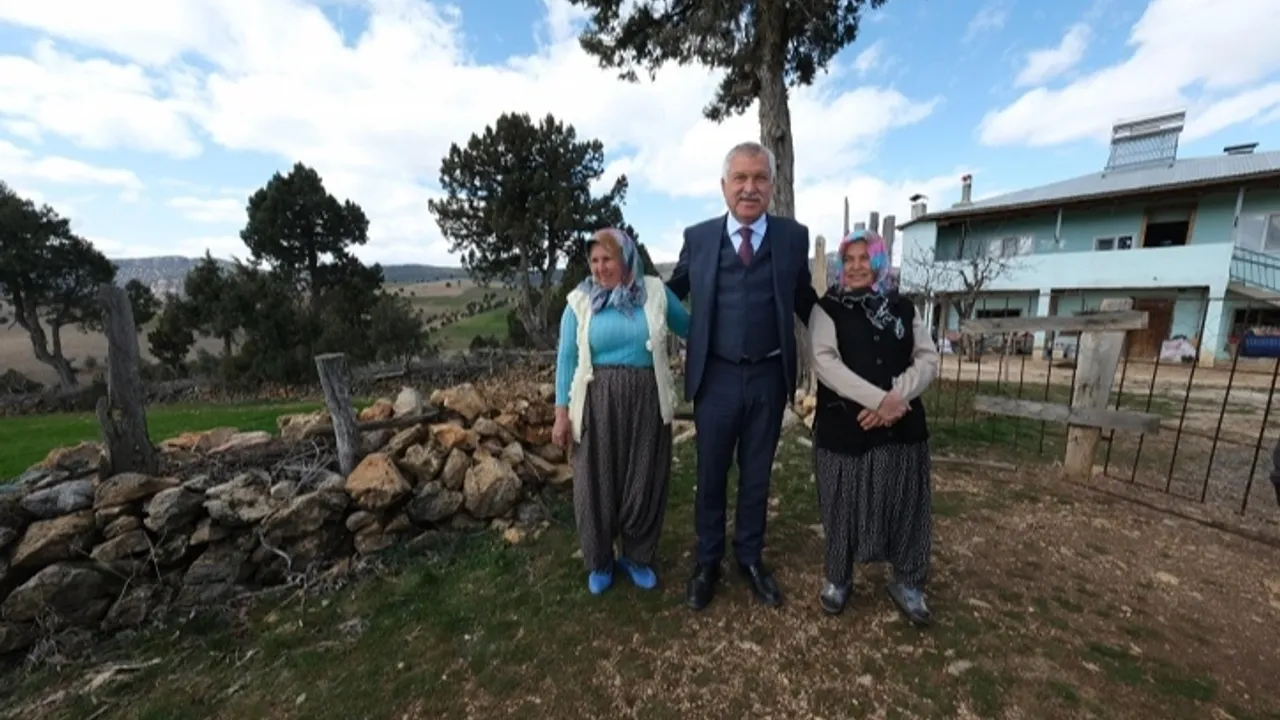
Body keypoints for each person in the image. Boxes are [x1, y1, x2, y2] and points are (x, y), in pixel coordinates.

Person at [666, 141, 820, 611]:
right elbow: (671, 292)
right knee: (711, 472)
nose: (749, 188)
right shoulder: (699, 238)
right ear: (724, 186)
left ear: (771, 186)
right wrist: (628, 293)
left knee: (756, 475)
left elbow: (805, 301)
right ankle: (707, 560)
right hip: (715, 378)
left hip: (769, 377)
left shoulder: (792, 237)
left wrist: (848, 328)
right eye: (741, 178)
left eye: (759, 178)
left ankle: (749, 557)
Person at [808, 229, 940, 625]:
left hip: (901, 428)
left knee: (907, 506)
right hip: (845, 428)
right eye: (848, 260)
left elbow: (927, 358)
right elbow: (825, 363)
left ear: (879, 262)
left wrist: (896, 398)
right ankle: (838, 578)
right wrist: (878, 400)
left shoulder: (902, 306)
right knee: (840, 508)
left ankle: (909, 581)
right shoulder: (828, 308)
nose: (855, 267)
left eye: (865, 259)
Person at [552, 228, 691, 595]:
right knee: (594, 482)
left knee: (644, 477)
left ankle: (637, 557)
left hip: (647, 402)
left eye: (607, 259)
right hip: (595, 404)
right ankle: (600, 561)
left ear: (626, 258)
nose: (600, 268)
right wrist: (561, 413)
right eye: (594, 260)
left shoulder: (655, 292)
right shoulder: (579, 301)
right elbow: (566, 358)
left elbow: (691, 328)